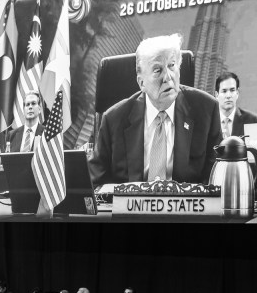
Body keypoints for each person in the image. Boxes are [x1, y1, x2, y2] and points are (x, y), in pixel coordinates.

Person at [89, 34, 223, 186]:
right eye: (157, 70)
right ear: (142, 83)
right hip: (131, 207)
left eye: (172, 66)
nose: (167, 77)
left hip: (186, 207)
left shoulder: (206, 110)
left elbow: (215, 178)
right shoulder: (114, 119)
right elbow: (96, 181)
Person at [213, 70, 257, 139]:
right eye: (224, 91)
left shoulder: (252, 120)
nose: (228, 95)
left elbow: (256, 149)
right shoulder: (209, 121)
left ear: (237, 93)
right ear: (217, 95)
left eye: (232, 90)